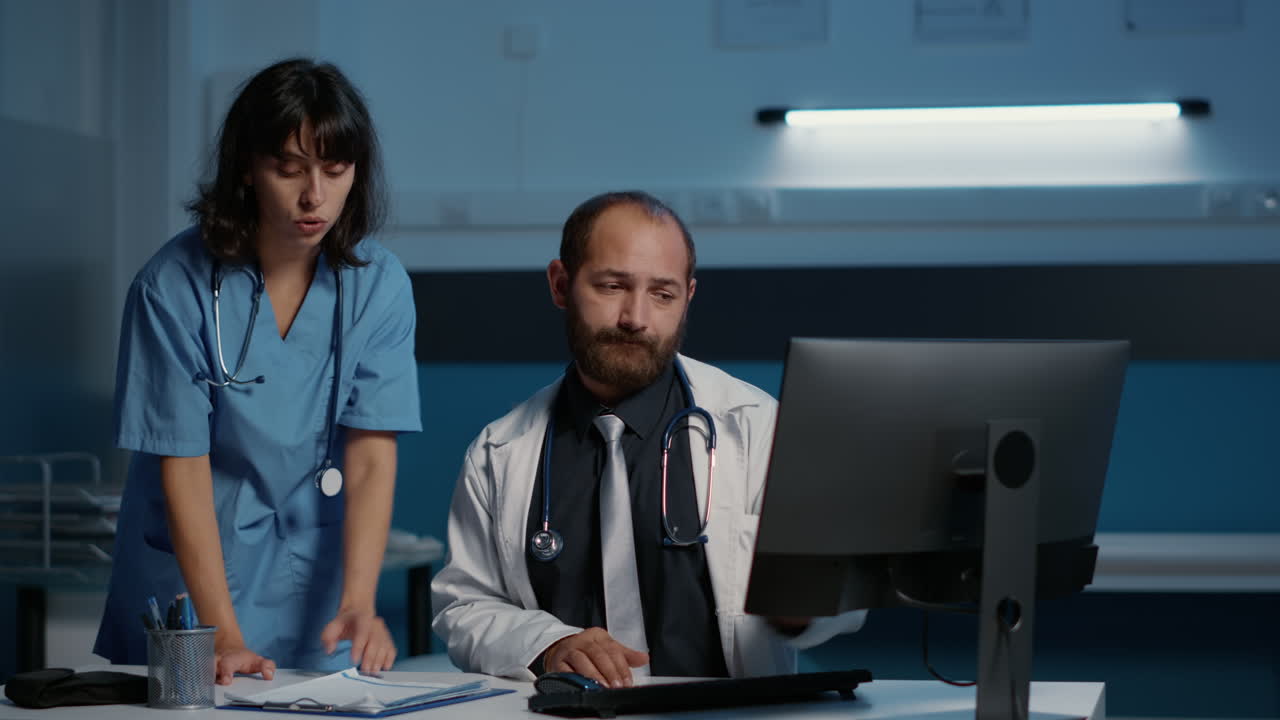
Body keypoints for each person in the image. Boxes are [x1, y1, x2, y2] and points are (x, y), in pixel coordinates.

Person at [431, 191, 864, 687]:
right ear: (561, 284)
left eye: (663, 294)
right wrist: (545, 644)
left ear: (688, 297)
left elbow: (841, 595)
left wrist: (804, 609)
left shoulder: (756, 427)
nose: (635, 318)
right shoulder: (500, 451)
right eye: (613, 286)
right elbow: (464, 605)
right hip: (568, 715)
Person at [95, 58, 421, 683]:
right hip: (196, 582)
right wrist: (223, 635)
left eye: (335, 169)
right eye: (289, 169)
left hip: (312, 582)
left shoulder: (378, 286)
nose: (314, 196)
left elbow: (372, 452)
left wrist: (358, 600)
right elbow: (182, 462)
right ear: (247, 167)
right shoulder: (172, 288)